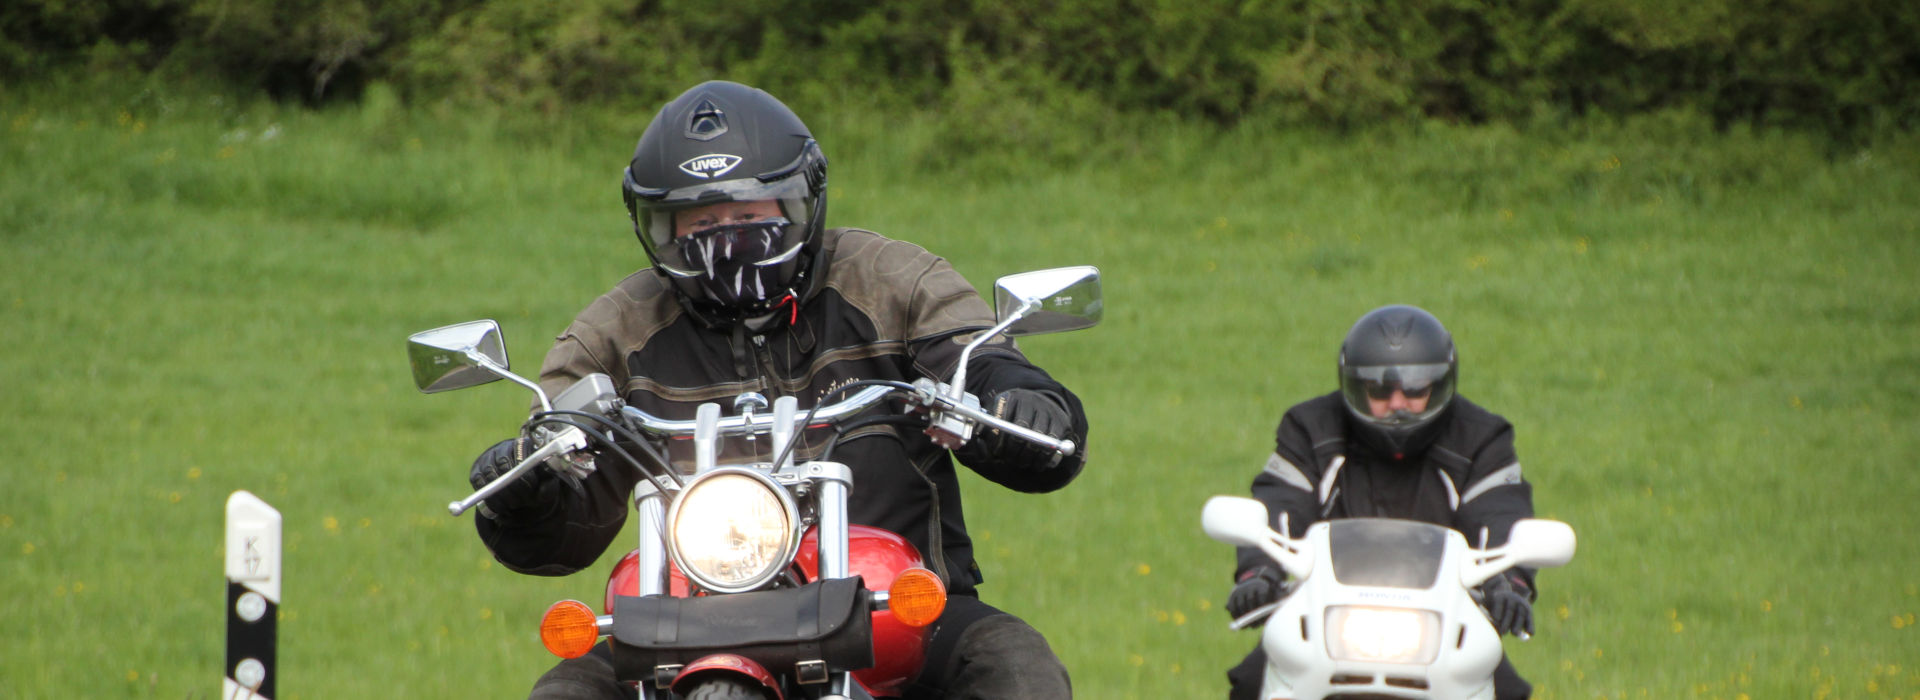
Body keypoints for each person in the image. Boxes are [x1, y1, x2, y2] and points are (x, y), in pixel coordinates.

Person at [465, 80, 1088, 699]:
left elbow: (979, 359)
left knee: (1015, 665)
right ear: (655, 227)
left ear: (799, 206)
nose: (725, 238)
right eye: (700, 221)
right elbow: (563, 491)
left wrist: (1016, 403)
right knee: (567, 691)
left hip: (895, 603)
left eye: (746, 215)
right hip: (685, 615)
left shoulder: (891, 282)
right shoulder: (613, 333)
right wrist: (528, 488)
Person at [1223, 305, 1539, 700]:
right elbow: (1279, 505)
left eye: (1415, 390)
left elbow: (1501, 514)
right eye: (1379, 391)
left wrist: (1510, 584)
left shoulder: (1480, 439)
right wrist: (1258, 574)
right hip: (1325, 622)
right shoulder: (1311, 428)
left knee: (1506, 692)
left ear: (1440, 384)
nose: (1397, 404)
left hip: (1445, 626)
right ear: (1353, 386)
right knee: (1253, 683)